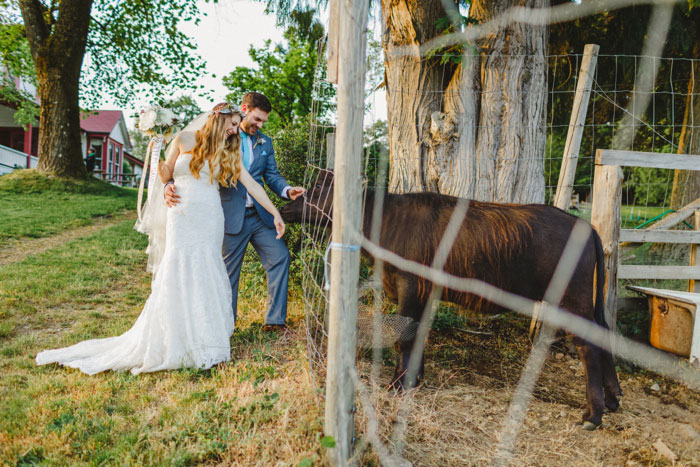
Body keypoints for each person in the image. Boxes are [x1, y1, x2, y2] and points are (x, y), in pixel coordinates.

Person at [35, 103, 285, 375]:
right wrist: (165, 179)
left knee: (207, 269)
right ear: (218, 119)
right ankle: (173, 337)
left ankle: (208, 341)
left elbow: (252, 184)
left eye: (237, 125)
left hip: (210, 215)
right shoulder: (183, 139)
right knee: (177, 265)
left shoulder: (229, 150)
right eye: (233, 124)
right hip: (181, 210)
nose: (235, 130)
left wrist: (275, 214)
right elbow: (166, 169)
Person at [165, 92, 304, 333]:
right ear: (243, 110)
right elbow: (180, 169)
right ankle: (225, 324)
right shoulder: (222, 140)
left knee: (280, 256)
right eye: (257, 119)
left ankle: (274, 321)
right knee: (227, 272)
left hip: (259, 215)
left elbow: (268, 177)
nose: (259, 126)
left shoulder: (265, 143)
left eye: (263, 122)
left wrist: (287, 192)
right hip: (226, 212)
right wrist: (167, 184)